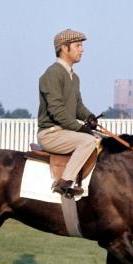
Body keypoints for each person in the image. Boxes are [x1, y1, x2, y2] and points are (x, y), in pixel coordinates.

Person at [37, 28, 99, 198]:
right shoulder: (53, 74)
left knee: (100, 141)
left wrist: (90, 117)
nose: (82, 49)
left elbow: (78, 106)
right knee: (88, 141)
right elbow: (56, 111)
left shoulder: (74, 77)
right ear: (64, 48)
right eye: (78, 45)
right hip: (51, 134)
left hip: (65, 132)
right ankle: (64, 183)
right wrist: (80, 128)